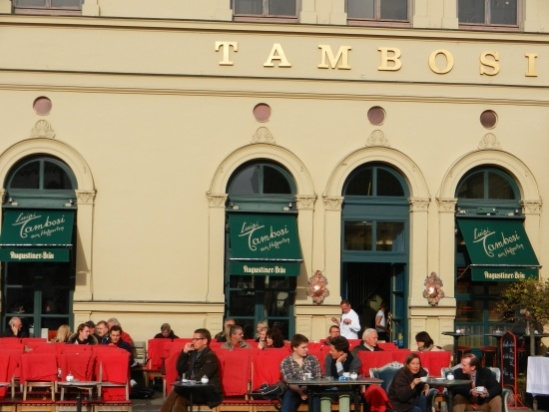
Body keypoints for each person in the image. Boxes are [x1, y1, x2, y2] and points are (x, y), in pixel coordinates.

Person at [160, 328, 223, 412]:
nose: (193, 341)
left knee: (177, 390)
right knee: (179, 399)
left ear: (204, 341)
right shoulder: (193, 353)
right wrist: (185, 352)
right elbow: (180, 368)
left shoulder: (210, 356)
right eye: (193, 339)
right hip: (194, 389)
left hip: (207, 392)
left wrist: (185, 383)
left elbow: (202, 376)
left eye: (196, 339)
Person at [280, 334, 321, 412]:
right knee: (288, 395)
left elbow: (318, 378)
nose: (306, 349)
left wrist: (306, 390)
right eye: (303, 347)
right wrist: (301, 392)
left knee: (316, 396)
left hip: (311, 390)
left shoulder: (312, 359)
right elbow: (289, 381)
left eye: (307, 347)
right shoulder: (286, 362)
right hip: (295, 390)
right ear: (295, 348)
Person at [321, 336, 361, 412]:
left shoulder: (354, 360)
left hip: (348, 390)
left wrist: (338, 363)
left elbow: (348, 382)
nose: (330, 352)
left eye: (332, 350)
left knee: (344, 397)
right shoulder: (329, 358)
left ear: (341, 352)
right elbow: (328, 378)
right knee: (325, 398)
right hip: (331, 389)